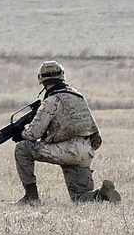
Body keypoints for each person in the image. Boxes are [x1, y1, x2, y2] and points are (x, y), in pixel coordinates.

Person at [15, 60, 119, 204]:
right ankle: (102, 194)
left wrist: (21, 134)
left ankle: (31, 197)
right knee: (80, 197)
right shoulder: (78, 97)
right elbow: (95, 135)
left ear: (42, 80)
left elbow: (33, 134)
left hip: (64, 150)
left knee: (22, 148)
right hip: (85, 152)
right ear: (62, 76)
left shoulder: (52, 100)